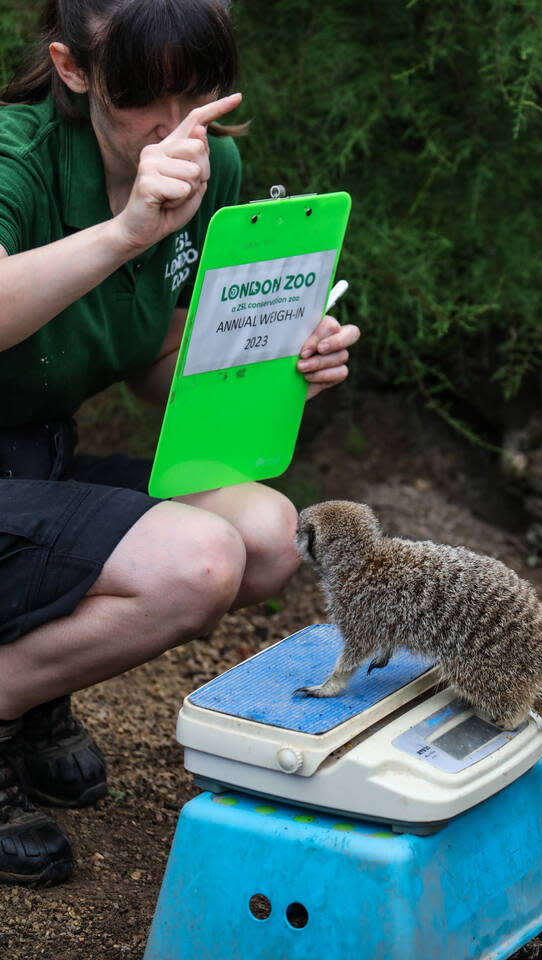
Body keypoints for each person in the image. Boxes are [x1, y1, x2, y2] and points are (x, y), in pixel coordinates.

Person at [0, 0, 360, 887]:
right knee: (196, 561)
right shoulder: (16, 160)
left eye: (200, 91)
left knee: (272, 537)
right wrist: (128, 233)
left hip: (37, 464)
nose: (178, 127)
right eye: (143, 100)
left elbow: (155, 355)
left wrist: (279, 360)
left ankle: (33, 687)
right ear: (75, 71)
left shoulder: (212, 167)